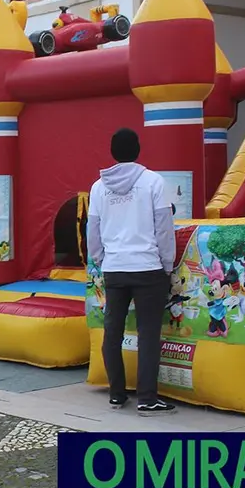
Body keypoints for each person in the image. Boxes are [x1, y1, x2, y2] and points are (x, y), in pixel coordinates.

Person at [87, 127, 177, 416]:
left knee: (112, 331)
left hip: (114, 269)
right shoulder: (153, 182)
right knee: (148, 333)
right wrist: (167, 263)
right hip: (148, 267)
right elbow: (164, 228)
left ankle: (116, 393)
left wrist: (101, 260)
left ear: (112, 152)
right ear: (137, 150)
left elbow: (93, 230)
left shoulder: (98, 187)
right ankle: (147, 397)